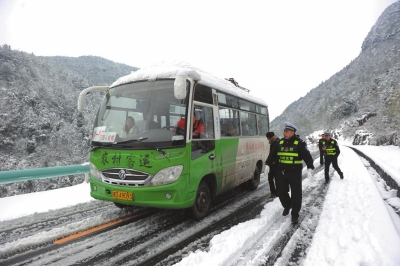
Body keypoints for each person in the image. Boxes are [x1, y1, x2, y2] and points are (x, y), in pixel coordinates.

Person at [265, 122, 315, 224]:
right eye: (284, 131)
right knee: (281, 192)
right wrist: (267, 164)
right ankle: (287, 206)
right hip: (281, 172)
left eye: (287, 131)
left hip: (294, 172)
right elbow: (273, 154)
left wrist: (310, 167)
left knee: (296, 194)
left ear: (293, 132)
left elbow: (307, 156)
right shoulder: (280, 143)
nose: (284, 133)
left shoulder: (300, 143)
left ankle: (295, 214)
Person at [265, 132, 280, 199]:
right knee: (270, 178)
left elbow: (279, 154)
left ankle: (277, 193)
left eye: (267, 138)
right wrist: (267, 162)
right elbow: (271, 154)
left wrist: (275, 161)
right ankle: (273, 192)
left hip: (277, 164)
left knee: (277, 179)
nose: (267, 140)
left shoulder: (277, 142)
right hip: (271, 164)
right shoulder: (273, 142)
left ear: (269, 137)